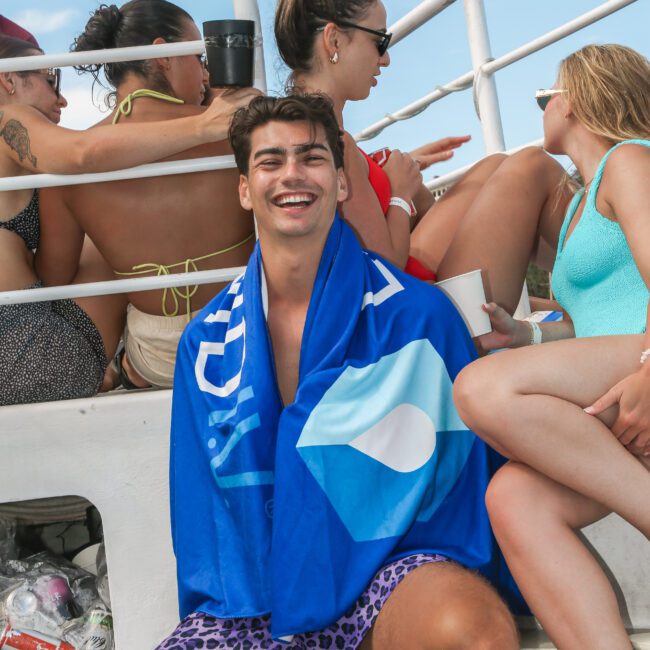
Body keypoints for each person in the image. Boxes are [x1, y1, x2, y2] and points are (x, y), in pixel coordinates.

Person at [159, 94, 524, 650]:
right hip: (258, 591)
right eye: (270, 161)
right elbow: (203, 514)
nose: (292, 176)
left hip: (389, 568)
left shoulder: (418, 316)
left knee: (472, 633)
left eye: (311, 158)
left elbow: (458, 480)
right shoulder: (206, 342)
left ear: (342, 180)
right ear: (243, 188)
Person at [453, 44, 650, 650]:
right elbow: (592, 318)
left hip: (640, 365)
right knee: (512, 498)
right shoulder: (577, 208)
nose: (542, 106)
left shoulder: (630, 162)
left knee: (480, 388)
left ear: (580, 98)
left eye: (547, 95)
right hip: (615, 375)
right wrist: (528, 334)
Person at [0, 33, 255, 406]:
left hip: (26, 346)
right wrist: (207, 124)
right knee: (105, 225)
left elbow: (54, 273)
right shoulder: (8, 119)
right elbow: (81, 154)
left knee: (97, 212)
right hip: (34, 355)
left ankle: (130, 367)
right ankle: (131, 365)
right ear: (8, 79)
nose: (62, 97)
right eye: (50, 77)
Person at [274, 0, 573, 314]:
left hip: (399, 294)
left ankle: (591, 285)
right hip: (409, 319)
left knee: (494, 167)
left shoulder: (307, 133)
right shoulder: (333, 143)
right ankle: (616, 272)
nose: (385, 59)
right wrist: (400, 194)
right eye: (379, 42)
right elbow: (384, 271)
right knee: (531, 166)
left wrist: (385, 171)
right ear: (333, 40)